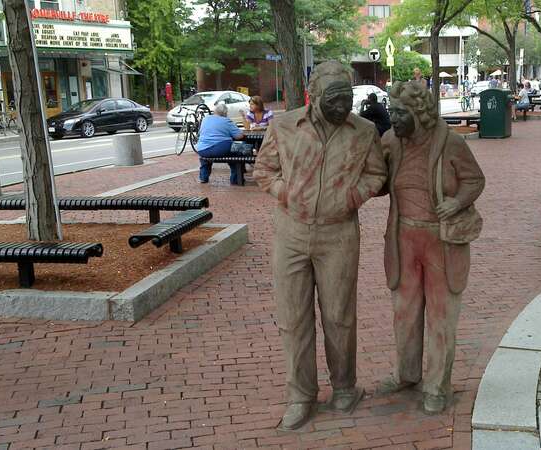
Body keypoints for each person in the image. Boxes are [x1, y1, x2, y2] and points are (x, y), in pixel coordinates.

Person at [253, 61, 387, 431]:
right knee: (293, 318)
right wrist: (287, 194)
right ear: (314, 96)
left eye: (347, 98)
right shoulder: (283, 125)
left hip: (339, 234)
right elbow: (264, 171)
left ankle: (345, 387)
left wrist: (353, 196)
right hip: (291, 233)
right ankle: (301, 395)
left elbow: (377, 173)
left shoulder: (364, 131)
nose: (342, 106)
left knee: (340, 316)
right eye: (334, 99)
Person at [377, 80, 485, 414]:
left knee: (441, 315)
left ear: (419, 113)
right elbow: (379, 182)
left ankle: (438, 385)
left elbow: (475, 180)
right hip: (403, 238)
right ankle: (407, 374)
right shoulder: (391, 142)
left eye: (399, 113)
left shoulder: (450, 143)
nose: (392, 119)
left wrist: (457, 202)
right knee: (404, 312)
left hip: (440, 239)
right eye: (391, 112)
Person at [195, 103, 245, 184]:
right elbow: (239, 136)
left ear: (215, 111)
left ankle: (203, 177)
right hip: (220, 148)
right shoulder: (226, 121)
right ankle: (235, 179)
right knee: (239, 151)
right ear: (225, 113)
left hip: (202, 149)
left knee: (205, 158)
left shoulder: (206, 119)